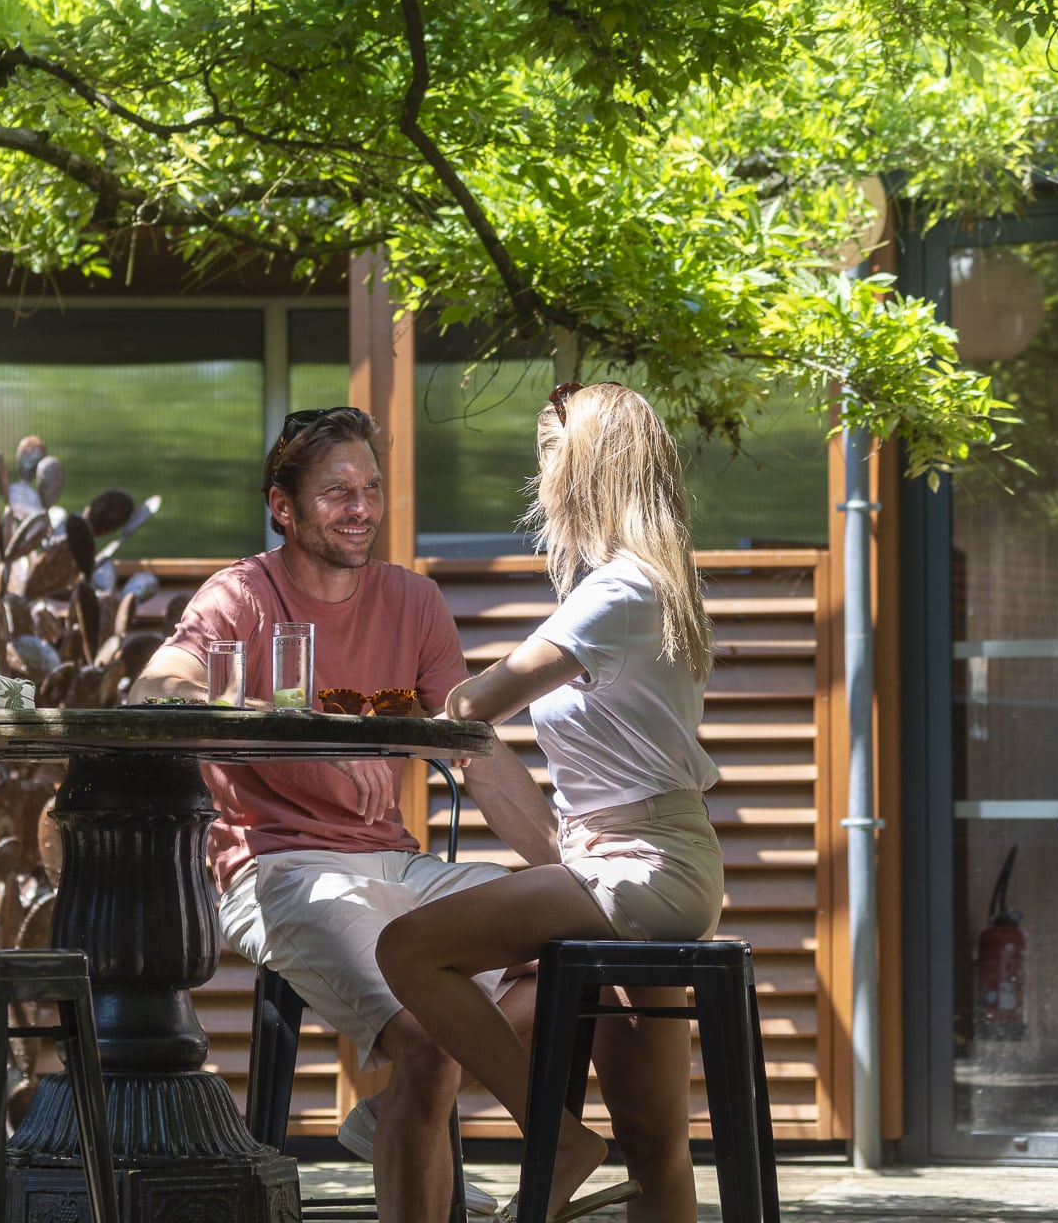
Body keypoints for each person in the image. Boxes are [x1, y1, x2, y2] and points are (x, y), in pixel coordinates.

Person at [129, 405, 560, 1223]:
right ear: (282, 506)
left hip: (395, 861)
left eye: (370, 488)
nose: (361, 508)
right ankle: (419, 1087)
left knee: (573, 948)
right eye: (336, 492)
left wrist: (568, 874)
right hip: (278, 866)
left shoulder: (415, 600)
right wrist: (249, 713)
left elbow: (473, 748)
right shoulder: (241, 594)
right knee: (427, 1040)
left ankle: (398, 1105)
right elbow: (157, 684)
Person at [377, 382, 724, 1223]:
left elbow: (474, 704)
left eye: (550, 462)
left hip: (637, 867)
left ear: (587, 471)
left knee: (408, 949)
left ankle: (555, 1138)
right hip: (646, 863)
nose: (541, 484)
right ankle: (559, 1138)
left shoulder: (618, 593)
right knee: (654, 1145)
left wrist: (425, 703)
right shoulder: (649, 584)